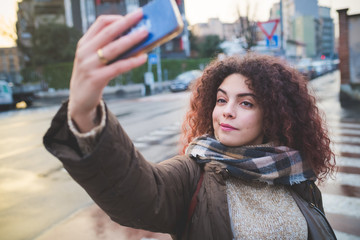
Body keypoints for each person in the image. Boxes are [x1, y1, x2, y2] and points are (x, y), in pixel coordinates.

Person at [43, 9, 337, 240]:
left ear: (272, 115)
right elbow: (136, 191)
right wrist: (84, 111)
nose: (226, 112)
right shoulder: (193, 174)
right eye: (221, 100)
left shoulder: (296, 173)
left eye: (245, 103)